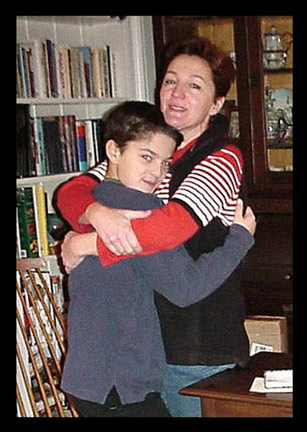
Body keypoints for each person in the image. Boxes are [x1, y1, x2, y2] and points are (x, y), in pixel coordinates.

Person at [56, 37, 254, 417]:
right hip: (144, 353)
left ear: (216, 104)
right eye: (170, 81)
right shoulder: (149, 152)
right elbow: (74, 192)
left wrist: (88, 245)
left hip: (194, 348)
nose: (177, 93)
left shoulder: (222, 157)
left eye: (195, 86)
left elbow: (169, 227)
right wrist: (96, 212)